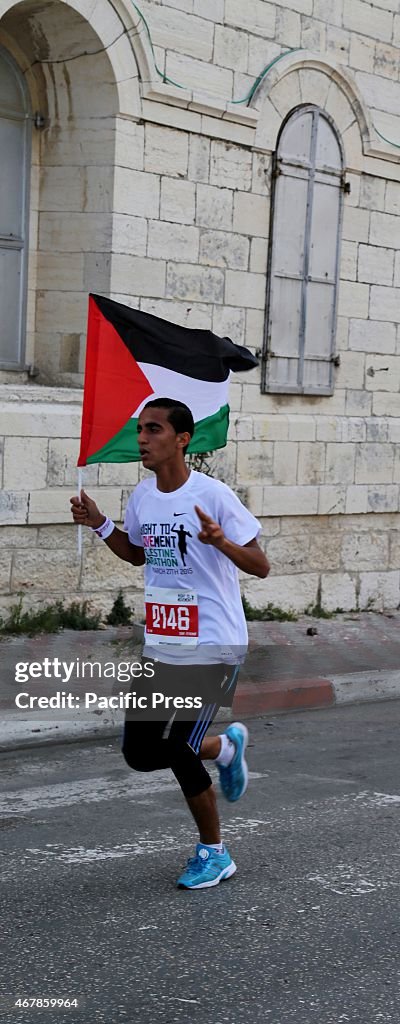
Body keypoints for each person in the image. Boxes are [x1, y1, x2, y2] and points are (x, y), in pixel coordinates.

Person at [71, 398, 269, 890]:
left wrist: (221, 542)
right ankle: (224, 748)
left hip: (214, 643)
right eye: (140, 429)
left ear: (182, 439)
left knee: (178, 746)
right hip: (163, 641)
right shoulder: (143, 496)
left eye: (153, 429)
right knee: (139, 752)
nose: (142, 438)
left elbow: (260, 565)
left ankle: (214, 852)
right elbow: (138, 554)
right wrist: (98, 523)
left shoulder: (213, 494)